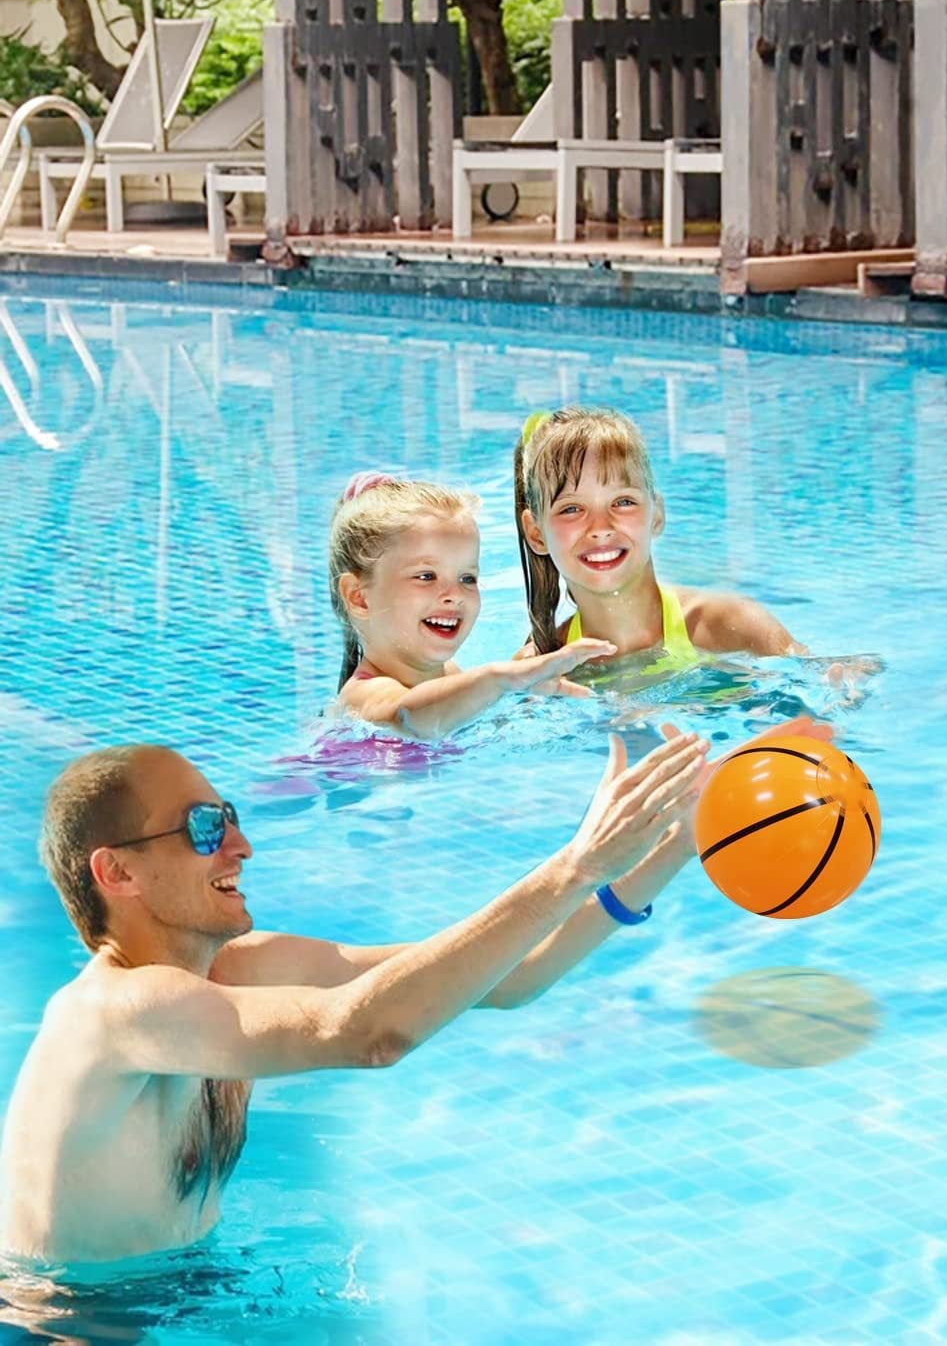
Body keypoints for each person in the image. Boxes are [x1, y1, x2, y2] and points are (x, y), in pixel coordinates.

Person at [0, 729, 709, 1264]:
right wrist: (574, 864)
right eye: (205, 828)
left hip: (188, 1290)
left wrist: (675, 846)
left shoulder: (242, 971)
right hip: (68, 1324)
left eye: (232, 816)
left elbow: (511, 976)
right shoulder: (114, 1012)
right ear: (117, 872)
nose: (241, 846)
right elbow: (371, 1032)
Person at [512, 407, 804, 669]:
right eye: (572, 509)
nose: (600, 527)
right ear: (536, 533)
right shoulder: (541, 666)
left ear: (656, 515)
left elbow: (820, 693)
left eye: (623, 502)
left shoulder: (731, 626)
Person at [330, 471, 613, 737]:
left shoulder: (449, 673)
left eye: (468, 578)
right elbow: (408, 715)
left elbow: (471, 721)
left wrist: (520, 693)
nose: (455, 594)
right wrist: (500, 679)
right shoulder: (362, 694)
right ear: (359, 597)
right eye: (426, 576)